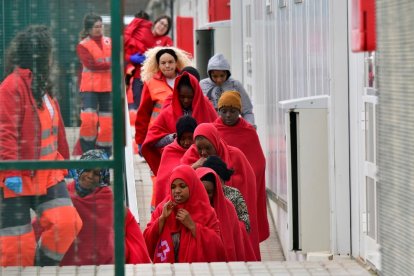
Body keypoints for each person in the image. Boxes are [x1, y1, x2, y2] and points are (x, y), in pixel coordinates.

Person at [0, 25, 82, 266]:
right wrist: (12, 171)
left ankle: (40, 269)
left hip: (46, 174)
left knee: (67, 223)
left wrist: (65, 162)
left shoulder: (41, 86)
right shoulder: (12, 86)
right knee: (16, 247)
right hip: (16, 176)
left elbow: (52, 130)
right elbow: (5, 133)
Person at [50, 150, 151, 265]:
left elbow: (129, 230)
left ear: (103, 176)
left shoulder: (108, 199)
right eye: (87, 170)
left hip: (105, 266)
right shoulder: (65, 194)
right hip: (69, 267)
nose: (90, 176)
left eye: (97, 173)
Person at [180, 123, 261, 259]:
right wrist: (193, 168)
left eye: (208, 148)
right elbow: (179, 178)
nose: (203, 152)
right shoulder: (191, 158)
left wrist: (231, 228)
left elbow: (247, 183)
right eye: (199, 148)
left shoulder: (235, 157)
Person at [215, 90, 269, 242]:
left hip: (244, 187)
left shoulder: (248, 131)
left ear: (239, 111)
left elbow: (259, 163)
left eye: (232, 111)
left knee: (244, 224)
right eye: (224, 111)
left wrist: (243, 178)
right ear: (218, 111)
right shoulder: (213, 130)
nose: (228, 115)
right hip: (220, 185)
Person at [143, 165, 226, 263]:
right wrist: (162, 219)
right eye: (173, 187)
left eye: (182, 186)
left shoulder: (206, 212)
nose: (177, 191)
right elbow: (146, 242)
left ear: (192, 185)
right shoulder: (164, 208)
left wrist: (193, 226)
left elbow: (218, 248)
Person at [141, 72, 217, 175]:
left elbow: (217, 139)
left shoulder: (207, 109)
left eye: (190, 97)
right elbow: (152, 141)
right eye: (182, 96)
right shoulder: (168, 112)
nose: (186, 100)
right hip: (173, 162)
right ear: (177, 94)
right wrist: (173, 138)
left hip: (204, 165)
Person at [196, 167, 257, 261]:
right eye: (202, 190)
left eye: (209, 192)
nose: (205, 195)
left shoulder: (228, 207)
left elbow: (234, 240)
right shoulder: (188, 207)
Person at [73, 13, 112, 156]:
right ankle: (87, 152)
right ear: (88, 29)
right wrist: (111, 64)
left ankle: (105, 153)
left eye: (101, 26)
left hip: (107, 87)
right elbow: (92, 64)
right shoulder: (83, 45)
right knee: (89, 120)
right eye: (96, 27)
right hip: (89, 88)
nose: (99, 29)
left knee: (107, 123)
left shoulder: (109, 41)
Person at [199, 53, 256, 127]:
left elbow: (247, 110)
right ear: (209, 74)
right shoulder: (202, 85)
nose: (219, 80)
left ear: (227, 73)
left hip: (231, 128)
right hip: (210, 128)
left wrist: (250, 126)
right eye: (215, 76)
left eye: (222, 76)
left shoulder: (235, 85)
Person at [154, 115, 197, 207]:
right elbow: (162, 181)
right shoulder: (169, 151)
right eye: (183, 138)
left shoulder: (200, 151)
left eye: (190, 138)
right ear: (177, 137)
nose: (186, 142)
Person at [202, 155, 251, 233]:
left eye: (218, 180)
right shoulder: (200, 196)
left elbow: (246, 223)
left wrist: (229, 228)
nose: (216, 185)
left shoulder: (234, 194)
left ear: (223, 178)